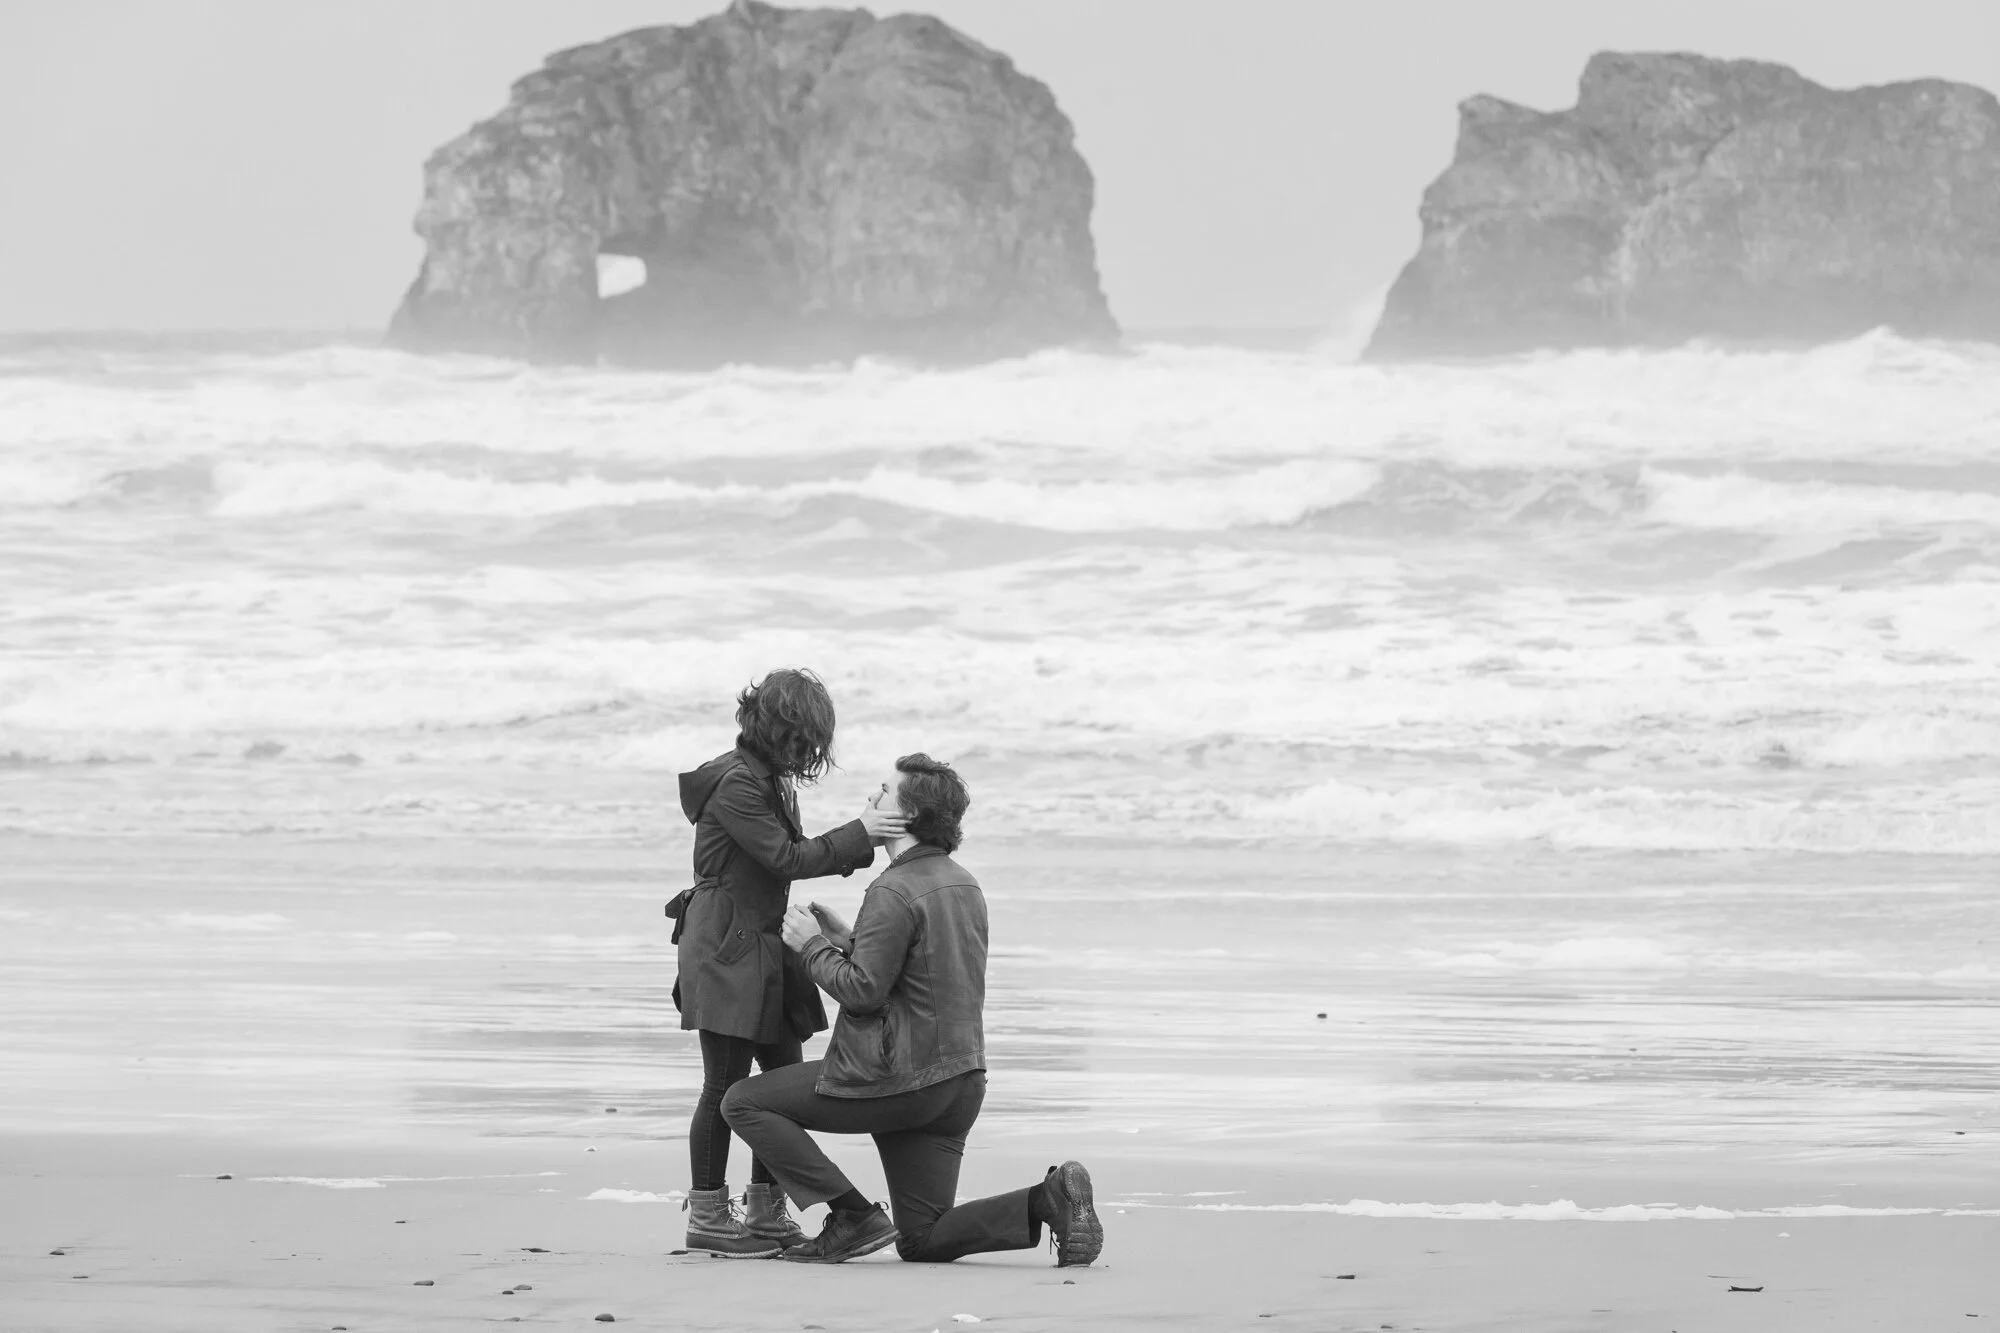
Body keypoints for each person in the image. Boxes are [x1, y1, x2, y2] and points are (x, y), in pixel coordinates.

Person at [721, 753, 1104, 1266]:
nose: (870, 802)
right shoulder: (964, 882)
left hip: (901, 1081)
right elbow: (924, 970)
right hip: (961, 1083)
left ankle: (851, 1215)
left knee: (743, 1101)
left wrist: (811, 946)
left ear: (908, 819)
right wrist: (852, 939)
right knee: (921, 1239)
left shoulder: (891, 888)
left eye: (882, 793)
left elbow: (863, 993)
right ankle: (1046, 1200)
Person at [669, 669, 907, 1258]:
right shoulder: (735, 784)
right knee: (723, 1085)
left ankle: (767, 1213)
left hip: (768, 946)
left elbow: (781, 863)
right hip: (727, 948)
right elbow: (784, 858)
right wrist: (863, 834)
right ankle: (707, 1214)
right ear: (778, 730)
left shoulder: (768, 778)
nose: (811, 755)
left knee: (776, 1086)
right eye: (804, 742)